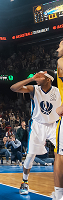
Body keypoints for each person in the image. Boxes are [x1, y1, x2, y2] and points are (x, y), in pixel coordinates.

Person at [10, 70, 60, 195]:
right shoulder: (34, 89)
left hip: (55, 125)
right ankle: (24, 182)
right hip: (37, 126)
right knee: (30, 157)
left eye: (40, 76)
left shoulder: (58, 91)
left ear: (48, 79)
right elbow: (14, 88)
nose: (37, 77)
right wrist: (31, 79)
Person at [54, 41, 63, 200]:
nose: (57, 49)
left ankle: (58, 194)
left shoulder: (61, 61)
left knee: (59, 156)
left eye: (60, 45)